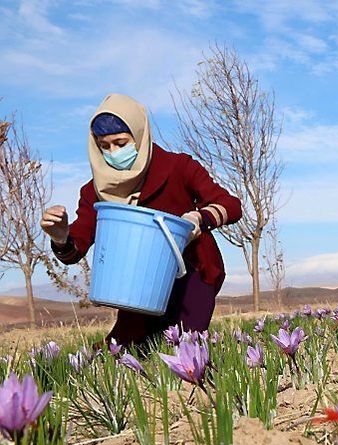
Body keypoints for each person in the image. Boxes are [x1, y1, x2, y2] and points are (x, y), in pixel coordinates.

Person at [40, 94, 242, 346]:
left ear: (139, 135)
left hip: (190, 274)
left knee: (188, 347)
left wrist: (198, 219)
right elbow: (76, 247)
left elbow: (231, 205)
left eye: (120, 143)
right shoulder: (94, 191)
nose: (113, 152)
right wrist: (61, 237)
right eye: (104, 146)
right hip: (136, 286)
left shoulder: (178, 167)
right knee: (122, 352)